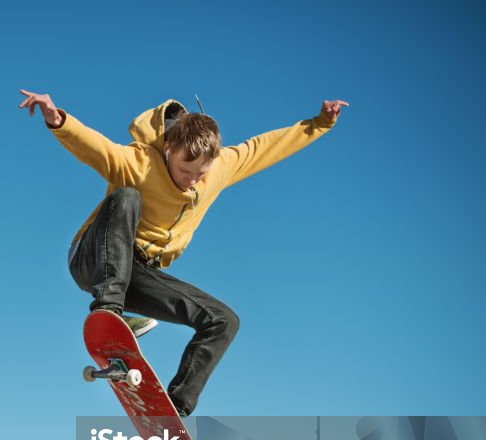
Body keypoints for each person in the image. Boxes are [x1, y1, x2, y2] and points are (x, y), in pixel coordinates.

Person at [19, 90, 349, 416]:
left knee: (223, 321)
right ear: (167, 150)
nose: (191, 182)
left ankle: (173, 411)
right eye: (184, 170)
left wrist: (320, 123)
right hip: (93, 257)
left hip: (138, 273)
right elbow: (97, 149)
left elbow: (265, 148)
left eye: (199, 174)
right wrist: (57, 119)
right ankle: (109, 312)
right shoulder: (139, 163)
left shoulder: (221, 167)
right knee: (127, 197)